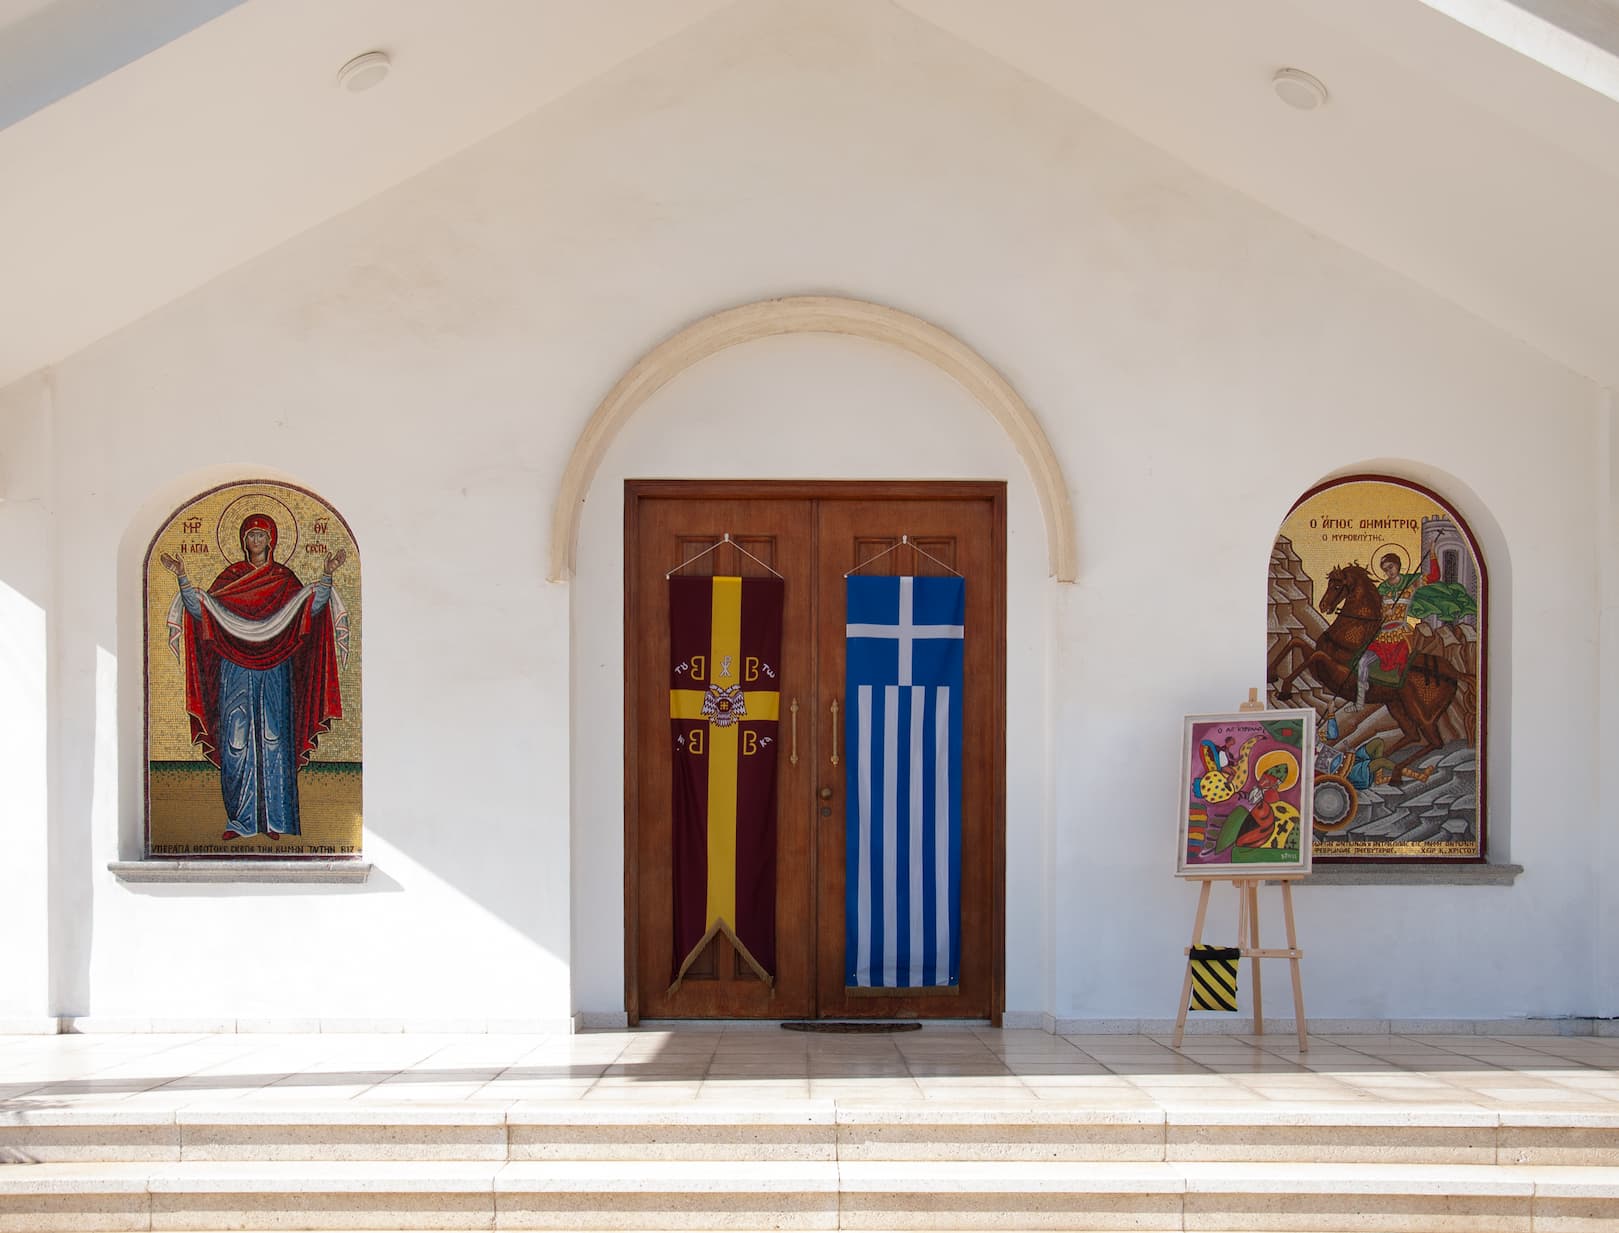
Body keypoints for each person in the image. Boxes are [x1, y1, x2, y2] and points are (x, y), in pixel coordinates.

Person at [161, 514, 348, 841]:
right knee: (236, 741)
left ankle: (275, 820)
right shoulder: (230, 579)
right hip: (234, 668)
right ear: (243, 540)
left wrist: (328, 575)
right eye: (251, 535)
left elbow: (310, 609)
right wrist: (182, 577)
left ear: (271, 540)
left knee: (274, 738)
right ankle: (240, 821)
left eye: (261, 535)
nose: (256, 541)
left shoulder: (284, 579)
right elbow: (201, 610)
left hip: (275, 665)